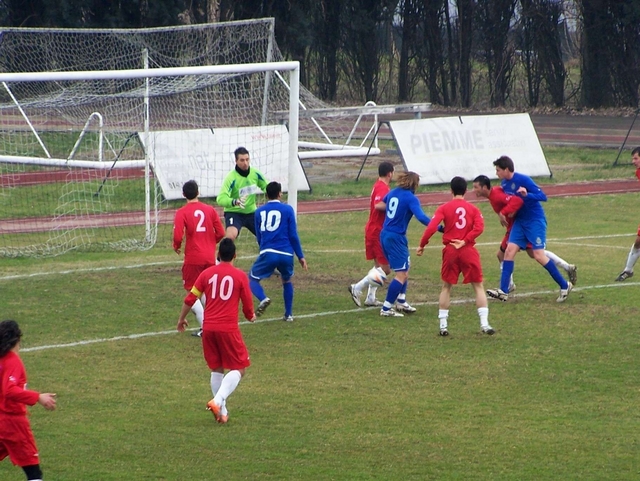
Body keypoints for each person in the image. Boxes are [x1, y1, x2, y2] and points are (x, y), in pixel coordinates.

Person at [177, 238, 256, 425]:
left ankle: (222, 413)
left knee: (217, 368)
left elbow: (190, 299)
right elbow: (247, 305)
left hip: (208, 328)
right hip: (227, 328)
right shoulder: (239, 276)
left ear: (218, 255)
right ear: (235, 256)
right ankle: (218, 401)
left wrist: (181, 319)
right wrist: (250, 315)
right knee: (239, 368)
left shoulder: (206, 274)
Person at [485, 156, 573, 302]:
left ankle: (565, 285)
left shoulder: (524, 180)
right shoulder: (504, 184)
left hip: (534, 221)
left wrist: (527, 194)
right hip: (520, 222)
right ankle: (503, 291)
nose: (496, 173)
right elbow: (513, 202)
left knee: (538, 255)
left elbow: (542, 196)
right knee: (509, 251)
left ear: (506, 169)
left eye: (498, 170)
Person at [417, 177, 494, 336]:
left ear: (451, 190)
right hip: (467, 250)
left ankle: (443, 326)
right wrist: (465, 240)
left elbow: (432, 227)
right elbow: (479, 228)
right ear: (465, 191)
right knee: (478, 286)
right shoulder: (473, 209)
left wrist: (422, 244)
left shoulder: (444, 208)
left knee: (446, 287)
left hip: (450, 250)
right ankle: (484, 324)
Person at [472, 174, 578, 290]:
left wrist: (506, 212)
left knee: (506, 254)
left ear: (484, 187)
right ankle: (567, 267)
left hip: (516, 227)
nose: (474, 190)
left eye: (476, 187)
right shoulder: (496, 192)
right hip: (517, 226)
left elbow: (516, 201)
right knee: (533, 254)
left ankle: (508, 286)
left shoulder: (496, 194)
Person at [0, 320, 57, 481]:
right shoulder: (12, 361)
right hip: (13, 423)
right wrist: (38, 397)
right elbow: (9, 390)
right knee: (33, 471)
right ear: (17, 339)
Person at [249, 181, 308, 322]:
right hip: (287, 254)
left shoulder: (258, 212)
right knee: (287, 279)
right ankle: (289, 315)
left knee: (251, 279)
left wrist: (264, 250)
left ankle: (263, 298)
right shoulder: (288, 210)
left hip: (268, 252)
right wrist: (300, 256)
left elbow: (259, 235)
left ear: (266, 195)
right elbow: (293, 235)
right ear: (280, 194)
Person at [173, 180, 226, 337]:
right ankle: (215, 323)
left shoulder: (182, 212)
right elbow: (221, 232)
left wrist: (176, 246)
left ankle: (205, 327)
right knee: (207, 291)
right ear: (198, 192)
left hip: (193, 258)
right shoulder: (209, 210)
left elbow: (177, 235)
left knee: (192, 291)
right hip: (209, 258)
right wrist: (211, 242)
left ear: (183, 195)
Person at [377, 171, 432, 317]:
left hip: (385, 233)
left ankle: (401, 301)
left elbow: (382, 203)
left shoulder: (393, 192)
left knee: (405, 268)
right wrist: (438, 227)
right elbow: (421, 217)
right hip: (396, 237)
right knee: (401, 274)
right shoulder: (410, 198)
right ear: (415, 184)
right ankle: (386, 309)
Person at [349, 161, 395, 308]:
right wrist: (395, 207)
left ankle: (370, 297)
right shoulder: (382, 188)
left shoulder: (378, 185)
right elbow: (378, 205)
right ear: (389, 173)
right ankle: (357, 287)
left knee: (378, 267)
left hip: (373, 229)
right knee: (386, 268)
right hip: (377, 231)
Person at [216, 146, 269, 241]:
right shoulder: (231, 178)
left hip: (251, 213)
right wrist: (234, 201)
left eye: (247, 159)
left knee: (266, 235)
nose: (245, 163)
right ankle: (221, 256)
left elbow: (266, 187)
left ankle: (267, 254)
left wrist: (274, 191)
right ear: (236, 161)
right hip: (234, 212)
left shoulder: (255, 174)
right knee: (230, 237)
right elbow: (221, 199)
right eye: (242, 160)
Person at [615, 146, 640, 281]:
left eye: (636, 158)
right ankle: (628, 270)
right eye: (633, 158)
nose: (633, 161)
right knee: (638, 242)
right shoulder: (638, 172)